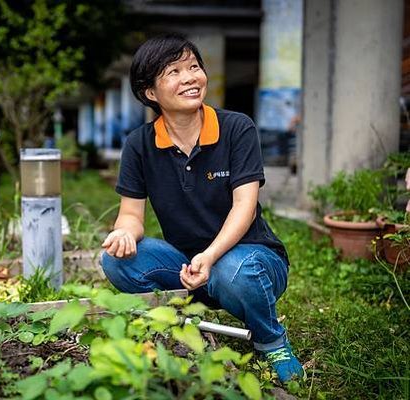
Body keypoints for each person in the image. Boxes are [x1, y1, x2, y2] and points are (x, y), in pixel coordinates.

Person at [100, 34, 305, 383]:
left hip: (251, 260)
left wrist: (210, 256)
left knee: (233, 271)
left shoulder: (236, 128)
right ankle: (182, 320)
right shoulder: (139, 145)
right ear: (150, 92)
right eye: (174, 72)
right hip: (185, 265)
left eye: (194, 67)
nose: (190, 78)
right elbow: (132, 214)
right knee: (115, 261)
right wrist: (123, 232)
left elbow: (245, 206)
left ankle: (271, 340)